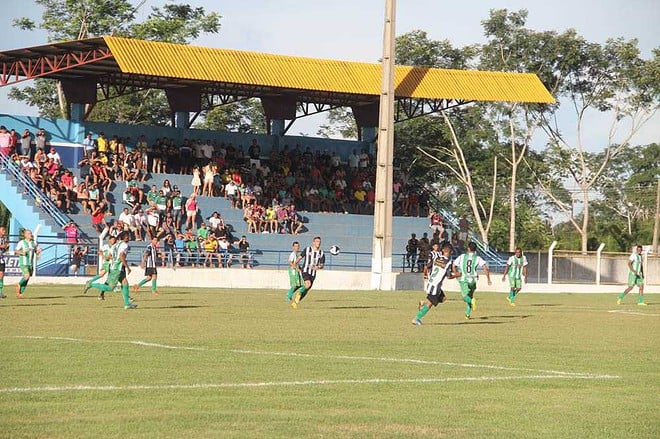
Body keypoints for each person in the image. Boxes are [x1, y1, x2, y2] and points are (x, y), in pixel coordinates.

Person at [87, 232, 135, 308]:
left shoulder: (114, 246)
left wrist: (111, 259)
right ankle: (91, 284)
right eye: (127, 236)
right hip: (117, 268)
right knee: (110, 288)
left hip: (114, 267)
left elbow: (108, 257)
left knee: (125, 283)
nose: (128, 238)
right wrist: (127, 267)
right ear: (123, 237)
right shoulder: (124, 245)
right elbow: (121, 255)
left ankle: (127, 304)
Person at [412, 242, 454, 325]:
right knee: (430, 304)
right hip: (435, 286)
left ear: (442, 250)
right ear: (451, 251)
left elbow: (430, 266)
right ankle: (416, 318)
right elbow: (449, 276)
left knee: (443, 299)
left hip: (431, 283)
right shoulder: (448, 262)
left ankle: (422, 302)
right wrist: (457, 275)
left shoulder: (437, 258)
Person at [452, 242, 491, 319]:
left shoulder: (462, 256)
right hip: (473, 279)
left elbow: (454, 265)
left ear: (468, 248)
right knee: (470, 295)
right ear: (475, 249)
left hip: (464, 278)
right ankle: (467, 314)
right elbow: (485, 268)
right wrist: (488, 279)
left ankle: (472, 302)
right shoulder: (478, 258)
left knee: (465, 297)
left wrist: (456, 273)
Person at [291, 236, 325, 308]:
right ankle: (298, 294)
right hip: (305, 270)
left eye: (319, 242)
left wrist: (318, 267)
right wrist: (295, 264)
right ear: (313, 242)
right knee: (307, 284)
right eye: (317, 241)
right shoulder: (307, 249)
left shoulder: (321, 253)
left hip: (313, 273)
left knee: (307, 290)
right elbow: (300, 257)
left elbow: (322, 265)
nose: (318, 243)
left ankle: (295, 302)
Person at [14, 229, 42, 298]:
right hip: (23, 262)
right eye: (29, 234)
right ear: (25, 235)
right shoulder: (21, 242)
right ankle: (18, 284)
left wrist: (38, 251)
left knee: (27, 278)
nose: (31, 235)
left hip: (30, 263)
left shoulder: (34, 243)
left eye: (31, 233)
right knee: (27, 276)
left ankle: (20, 293)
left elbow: (36, 251)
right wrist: (22, 252)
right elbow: (16, 251)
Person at [0, 226, 8, 298]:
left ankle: (0, 292)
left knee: (1, 275)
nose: (4, 231)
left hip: (1, 259)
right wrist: (2, 246)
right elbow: (2, 246)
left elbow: (4, 248)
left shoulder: (4, 239)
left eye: (4, 230)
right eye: (2, 230)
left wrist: (6, 247)